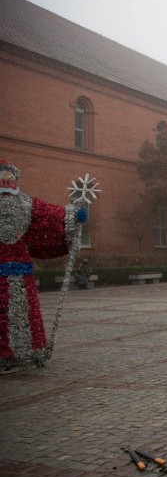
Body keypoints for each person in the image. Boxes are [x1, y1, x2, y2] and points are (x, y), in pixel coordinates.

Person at [0, 160, 88, 374]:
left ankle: (27, 351)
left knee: (24, 312)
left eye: (9, 178)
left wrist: (72, 215)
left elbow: (50, 215)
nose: (6, 182)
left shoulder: (27, 205)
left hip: (22, 270)